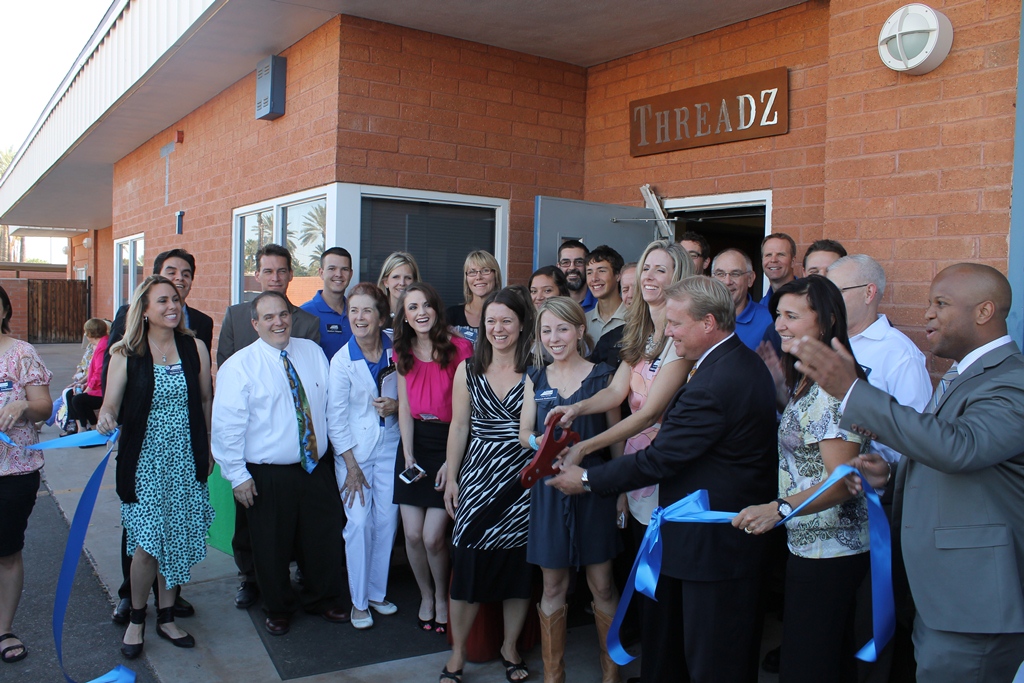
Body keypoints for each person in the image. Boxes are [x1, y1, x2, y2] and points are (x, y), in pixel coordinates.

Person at [790, 263, 1024, 683]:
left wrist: (853, 391)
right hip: (939, 594)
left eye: (941, 303)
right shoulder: (963, 377)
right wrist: (894, 476)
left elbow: (960, 447)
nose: (928, 314)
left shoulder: (1012, 381)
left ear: (985, 311)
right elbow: (946, 455)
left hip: (974, 603)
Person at [548, 276, 778, 683]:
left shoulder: (715, 382)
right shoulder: (736, 362)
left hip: (715, 551)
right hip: (717, 546)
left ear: (708, 323)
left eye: (675, 323)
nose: (667, 332)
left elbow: (658, 460)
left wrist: (587, 479)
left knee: (715, 662)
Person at [732, 275, 871, 683]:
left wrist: (779, 509)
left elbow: (843, 481)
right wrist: (779, 386)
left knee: (811, 665)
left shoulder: (831, 387)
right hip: (808, 542)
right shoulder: (807, 376)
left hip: (831, 550)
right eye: (777, 314)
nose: (779, 325)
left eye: (792, 316)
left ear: (826, 321)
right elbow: (804, 438)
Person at [212, 291, 350, 636]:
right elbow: (227, 425)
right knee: (271, 545)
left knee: (323, 537)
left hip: (315, 466)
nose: (278, 322)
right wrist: (237, 475)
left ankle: (323, 598)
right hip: (267, 472)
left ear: (291, 316)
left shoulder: (313, 352)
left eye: (283, 315)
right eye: (269, 318)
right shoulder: (239, 366)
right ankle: (278, 607)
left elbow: (330, 406)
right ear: (256, 324)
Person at [97, 275, 214, 659]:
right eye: (162, 300)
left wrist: (209, 448)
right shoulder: (125, 352)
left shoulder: (194, 346)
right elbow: (110, 404)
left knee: (174, 540)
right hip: (143, 461)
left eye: (175, 299)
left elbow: (205, 401)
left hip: (185, 456)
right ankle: (136, 618)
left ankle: (166, 617)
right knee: (147, 544)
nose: (172, 306)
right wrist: (107, 417)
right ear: (143, 310)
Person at [550, 240, 695, 532]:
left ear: (678, 278)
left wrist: (584, 448)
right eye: (646, 269)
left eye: (661, 270)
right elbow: (616, 393)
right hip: (635, 463)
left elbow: (649, 414)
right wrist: (576, 408)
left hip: (664, 466)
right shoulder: (640, 333)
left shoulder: (680, 339)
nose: (649, 277)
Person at [519, 296, 623, 683]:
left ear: (581, 330)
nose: (554, 337)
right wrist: (545, 448)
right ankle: (553, 676)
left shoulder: (604, 376)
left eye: (562, 328)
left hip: (595, 489)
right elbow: (524, 433)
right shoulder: (536, 377)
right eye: (546, 330)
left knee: (602, 583)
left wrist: (621, 491)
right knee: (552, 585)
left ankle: (611, 675)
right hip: (548, 491)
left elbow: (616, 437)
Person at [217, 243, 321, 610]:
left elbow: (318, 398)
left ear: (290, 275)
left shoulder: (308, 332)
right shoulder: (235, 321)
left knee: (301, 533)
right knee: (256, 533)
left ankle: (306, 591)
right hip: (258, 454)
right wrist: (236, 469)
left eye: (281, 271)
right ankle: (256, 586)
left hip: (304, 458)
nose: (274, 277)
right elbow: (228, 402)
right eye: (267, 271)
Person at [442, 286, 535, 683]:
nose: (498, 328)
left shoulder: (535, 367)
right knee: (467, 571)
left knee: (518, 572)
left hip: (522, 482)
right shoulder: (468, 368)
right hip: (478, 478)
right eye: (491, 321)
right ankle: (458, 654)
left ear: (521, 324)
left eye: (506, 320)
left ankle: (510, 647)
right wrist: (452, 477)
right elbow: (459, 426)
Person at [393, 282, 473, 634]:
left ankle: (443, 596)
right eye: (413, 307)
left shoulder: (460, 348)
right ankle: (425, 595)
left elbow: (464, 415)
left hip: (450, 442)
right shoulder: (401, 351)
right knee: (411, 535)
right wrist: (408, 453)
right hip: (415, 445)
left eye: (426, 305)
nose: (421, 312)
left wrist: (451, 462)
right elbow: (405, 408)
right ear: (405, 316)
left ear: (436, 309)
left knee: (432, 537)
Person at [326, 283, 401, 629]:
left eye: (367, 310)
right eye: (353, 310)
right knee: (358, 524)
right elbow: (335, 419)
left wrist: (398, 405)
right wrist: (351, 467)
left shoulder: (398, 349)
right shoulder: (342, 361)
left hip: (392, 446)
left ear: (381, 315)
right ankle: (358, 603)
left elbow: (412, 392)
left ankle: (375, 593)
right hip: (354, 453)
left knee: (386, 521)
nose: (359, 317)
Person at [826, 254, 931, 462]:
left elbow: (917, 437)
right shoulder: (827, 341)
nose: (829, 302)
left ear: (869, 293)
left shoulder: (899, 354)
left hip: (869, 485)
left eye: (838, 292)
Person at [0, 285, 54, 665]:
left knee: (6, 552)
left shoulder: (21, 353)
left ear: (4, 310)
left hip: (14, 472)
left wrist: (24, 404)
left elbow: (45, 407)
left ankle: (3, 629)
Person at [711, 248, 772, 350]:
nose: (727, 281)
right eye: (720, 274)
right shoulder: (700, 317)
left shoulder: (769, 321)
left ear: (750, 279)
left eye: (735, 274)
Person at [300, 246, 354, 361]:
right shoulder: (304, 314)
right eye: (332, 268)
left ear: (351, 274)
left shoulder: (357, 312)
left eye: (344, 269)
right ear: (321, 273)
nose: (338, 274)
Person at [446, 250, 502, 347]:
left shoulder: (506, 314)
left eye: (485, 270)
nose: (478, 277)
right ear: (466, 278)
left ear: (495, 275)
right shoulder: (451, 316)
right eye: (472, 272)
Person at [584, 246, 627, 369]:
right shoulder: (582, 321)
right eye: (589, 272)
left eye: (601, 271)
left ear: (618, 275)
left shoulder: (635, 318)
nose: (594, 278)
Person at [66, 318, 109, 428]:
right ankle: (81, 426)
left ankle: (91, 428)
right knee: (70, 394)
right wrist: (82, 384)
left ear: (90, 333)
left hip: (103, 389)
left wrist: (87, 389)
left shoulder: (102, 346)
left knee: (78, 400)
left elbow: (99, 373)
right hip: (98, 387)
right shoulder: (100, 344)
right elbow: (92, 371)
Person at [377, 251, 420, 326]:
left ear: (415, 282)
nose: (402, 283)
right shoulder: (377, 314)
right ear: (385, 282)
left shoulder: (420, 316)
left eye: (408, 278)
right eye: (396, 277)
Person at [556, 240, 597, 311]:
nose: (572, 267)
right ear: (558, 266)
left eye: (579, 262)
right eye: (566, 262)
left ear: (587, 266)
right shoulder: (553, 304)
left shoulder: (600, 303)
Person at [760, 232, 798, 303]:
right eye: (768, 255)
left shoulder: (807, 299)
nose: (773, 260)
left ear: (792, 261)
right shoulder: (762, 305)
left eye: (780, 254)